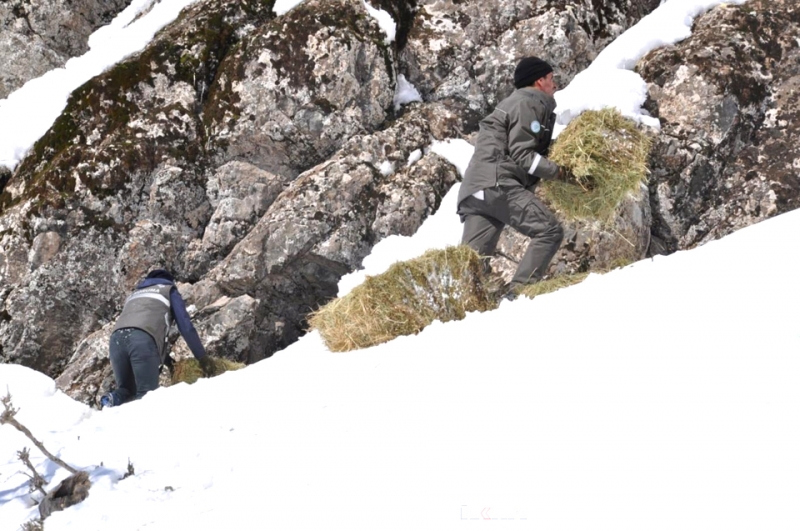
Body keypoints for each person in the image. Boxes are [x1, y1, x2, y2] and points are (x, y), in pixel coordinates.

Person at [457, 56, 577, 298]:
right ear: (539, 80)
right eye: (551, 79)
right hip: (498, 184)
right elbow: (523, 154)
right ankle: (518, 297)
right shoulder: (528, 103)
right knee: (549, 231)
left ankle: (461, 310)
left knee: (471, 267)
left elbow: (520, 145)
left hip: (475, 190)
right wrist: (561, 173)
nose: (555, 85)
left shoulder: (514, 104)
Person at [101, 269, 212, 407]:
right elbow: (186, 327)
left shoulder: (134, 295)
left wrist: (169, 362)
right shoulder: (168, 290)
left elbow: (144, 335)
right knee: (147, 396)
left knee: (126, 390)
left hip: (116, 340)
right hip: (142, 341)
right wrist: (202, 358)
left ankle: (109, 400)